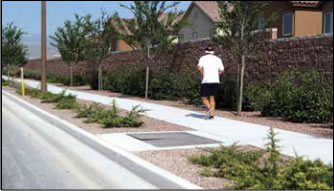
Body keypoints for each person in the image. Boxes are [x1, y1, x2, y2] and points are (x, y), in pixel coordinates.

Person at [197, 45, 224, 119]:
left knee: (204, 98)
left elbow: (199, 68)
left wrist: (203, 74)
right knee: (212, 98)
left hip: (206, 81)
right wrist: (216, 75)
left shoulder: (202, 58)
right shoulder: (218, 59)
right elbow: (222, 70)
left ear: (206, 51)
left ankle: (209, 109)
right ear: (213, 51)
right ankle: (212, 115)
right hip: (215, 81)